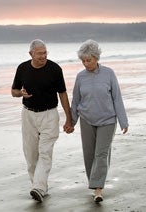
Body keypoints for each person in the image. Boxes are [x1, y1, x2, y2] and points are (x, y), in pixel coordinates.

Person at [11, 39, 74, 203]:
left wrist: (69, 118)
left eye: (45, 53)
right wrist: (20, 94)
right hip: (28, 115)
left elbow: (63, 94)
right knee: (31, 155)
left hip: (49, 115)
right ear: (31, 53)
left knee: (45, 152)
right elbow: (14, 91)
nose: (43, 56)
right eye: (39, 53)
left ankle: (38, 187)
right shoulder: (22, 68)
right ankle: (39, 187)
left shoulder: (54, 69)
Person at [71, 39, 129, 203]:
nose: (85, 63)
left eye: (88, 60)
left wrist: (123, 121)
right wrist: (71, 122)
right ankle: (94, 183)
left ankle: (98, 189)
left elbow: (117, 98)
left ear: (96, 58)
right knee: (89, 155)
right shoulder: (80, 77)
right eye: (83, 60)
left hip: (107, 120)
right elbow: (76, 101)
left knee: (101, 154)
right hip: (87, 119)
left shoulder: (109, 73)